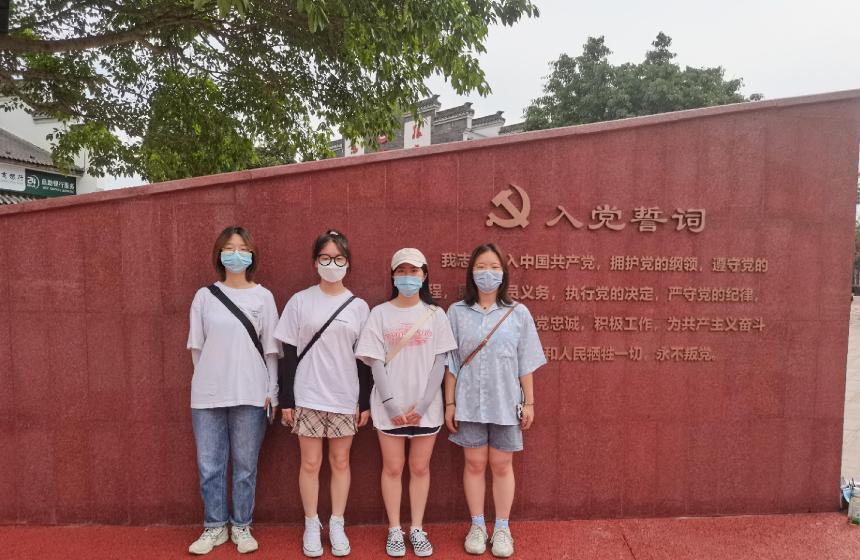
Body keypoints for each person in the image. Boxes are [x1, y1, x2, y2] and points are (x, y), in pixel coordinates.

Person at [444, 243, 546, 558]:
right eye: (481, 267)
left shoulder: (518, 313)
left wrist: (529, 403)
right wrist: (450, 403)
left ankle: (502, 527)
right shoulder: (457, 312)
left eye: (493, 267)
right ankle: (477, 525)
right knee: (474, 464)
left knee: (502, 465)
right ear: (471, 273)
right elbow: (451, 363)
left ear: (503, 273)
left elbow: (525, 362)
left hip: (505, 402)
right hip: (469, 402)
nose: (487, 273)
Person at [274, 229, 372, 557]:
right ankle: (311, 523)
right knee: (310, 462)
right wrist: (286, 399)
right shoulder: (300, 301)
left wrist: (364, 401)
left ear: (348, 263)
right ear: (315, 262)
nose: (332, 264)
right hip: (308, 393)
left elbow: (364, 360)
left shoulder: (359, 307)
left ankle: (337, 523)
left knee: (341, 461)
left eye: (338, 258)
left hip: (345, 396)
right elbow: (288, 353)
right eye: (325, 258)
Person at [355, 248, 457, 558]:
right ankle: (395, 529)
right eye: (402, 271)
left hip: (426, 409)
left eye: (414, 271)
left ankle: (417, 528)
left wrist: (423, 405)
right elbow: (374, 362)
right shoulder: (379, 313)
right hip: (390, 409)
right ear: (393, 276)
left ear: (424, 275)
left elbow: (440, 362)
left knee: (420, 468)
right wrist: (390, 405)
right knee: (393, 468)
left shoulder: (436, 315)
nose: (408, 277)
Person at [186, 226, 281, 555]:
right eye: (229, 248)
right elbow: (197, 348)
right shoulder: (204, 297)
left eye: (242, 248)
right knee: (209, 466)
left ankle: (241, 525)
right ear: (219, 254)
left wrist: (273, 390)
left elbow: (271, 350)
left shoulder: (263, 297)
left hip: (251, 393)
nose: (236, 254)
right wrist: (207, 380)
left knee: (245, 466)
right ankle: (214, 526)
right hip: (208, 396)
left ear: (252, 255)